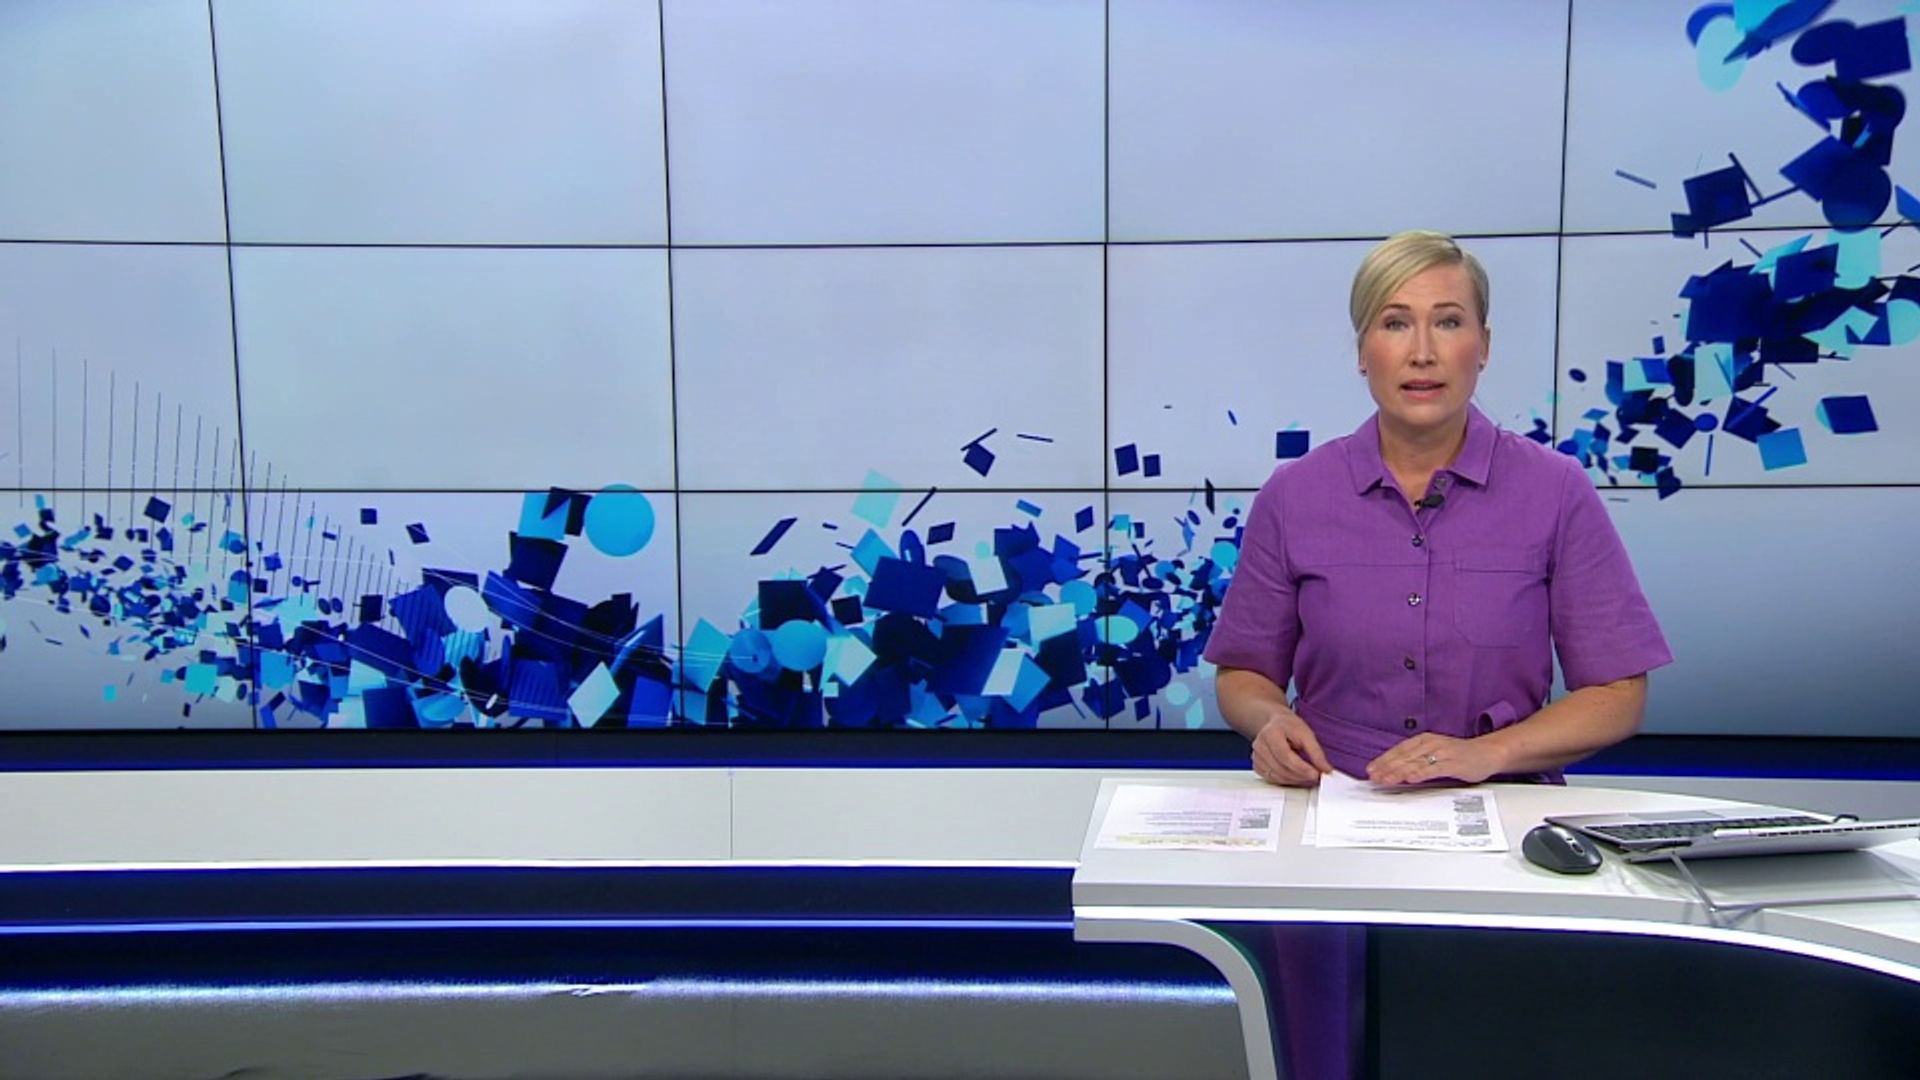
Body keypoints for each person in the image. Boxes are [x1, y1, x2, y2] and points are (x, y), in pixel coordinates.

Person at [1201, 229, 1673, 1079]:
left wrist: (1484, 755)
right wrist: (1267, 723)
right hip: (1327, 835)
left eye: (1448, 321)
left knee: (1487, 1048)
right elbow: (1244, 673)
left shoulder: (1555, 491)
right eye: (1395, 323)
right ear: (1363, 350)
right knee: (1328, 1054)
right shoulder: (1295, 495)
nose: (1422, 351)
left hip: (1504, 834)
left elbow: (1617, 691)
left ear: (1483, 345)